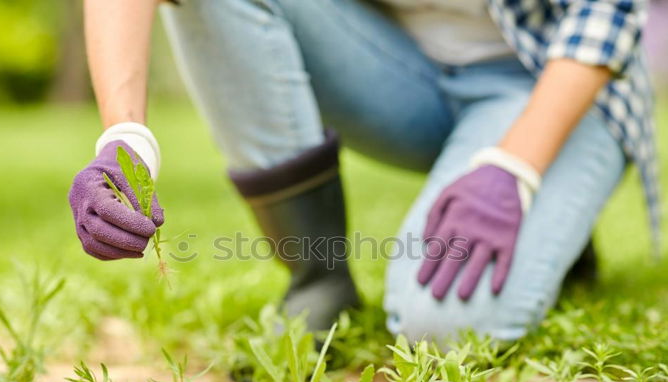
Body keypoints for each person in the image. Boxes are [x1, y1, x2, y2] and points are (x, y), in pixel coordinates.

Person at [70, 0, 657, 344]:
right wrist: (125, 141)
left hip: (550, 79)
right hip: (401, 64)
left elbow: (607, 12)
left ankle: (553, 212)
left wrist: (515, 168)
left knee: (442, 327)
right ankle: (318, 281)